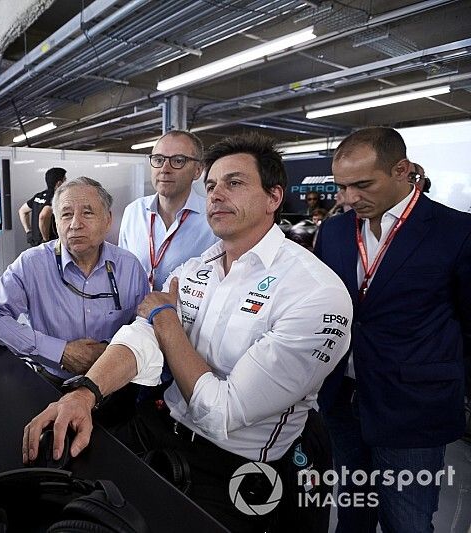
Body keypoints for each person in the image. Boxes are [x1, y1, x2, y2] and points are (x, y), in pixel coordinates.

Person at [23, 134, 353, 533]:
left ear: (273, 197)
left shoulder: (315, 293)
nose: (215, 195)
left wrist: (165, 318)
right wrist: (85, 393)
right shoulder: (198, 268)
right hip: (159, 428)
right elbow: (141, 338)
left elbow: (223, 413)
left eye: (234, 183)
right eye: (211, 185)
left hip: (236, 466)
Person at [314, 127, 471, 533]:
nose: (348, 199)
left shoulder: (456, 232)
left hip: (413, 408)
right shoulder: (333, 232)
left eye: (362, 185)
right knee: (352, 513)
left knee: (407, 521)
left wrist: (447, 383)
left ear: (401, 170)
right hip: (342, 401)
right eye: (341, 187)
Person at [0, 177, 149, 388]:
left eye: (87, 213)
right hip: (51, 385)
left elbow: (145, 327)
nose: (75, 224)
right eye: (66, 215)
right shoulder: (31, 264)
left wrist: (112, 351)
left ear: (108, 220)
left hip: (116, 386)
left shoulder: (129, 267)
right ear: (56, 223)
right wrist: (58, 351)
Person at [119, 130, 218, 291]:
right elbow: (123, 268)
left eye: (178, 160)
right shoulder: (134, 212)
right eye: (158, 159)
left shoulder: (213, 218)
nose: (165, 169)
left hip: (186, 315)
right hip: (135, 313)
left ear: (198, 170)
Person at [19, 167, 66, 246]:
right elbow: (43, 216)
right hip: (49, 243)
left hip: (35, 240)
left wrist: (28, 231)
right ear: (59, 183)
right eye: (65, 180)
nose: (66, 183)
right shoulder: (55, 198)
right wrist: (46, 239)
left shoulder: (38, 196)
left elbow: (22, 211)